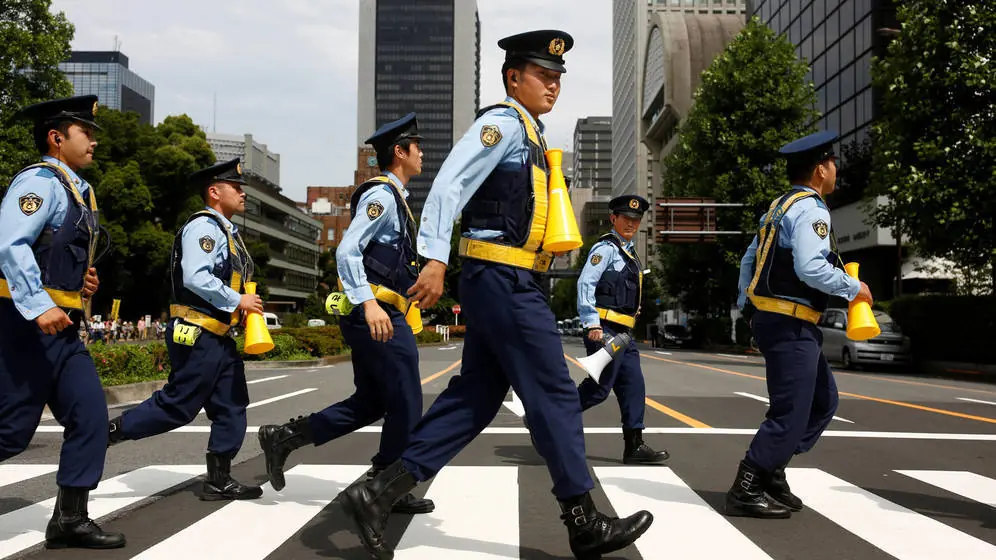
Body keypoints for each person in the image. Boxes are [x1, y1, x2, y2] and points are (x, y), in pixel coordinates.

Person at [334, 30, 653, 560]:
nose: (553, 86)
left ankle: (377, 492)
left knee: (474, 398)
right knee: (552, 391)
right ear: (513, 77)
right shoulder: (501, 125)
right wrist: (436, 259)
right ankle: (582, 519)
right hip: (503, 280)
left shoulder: (529, 134)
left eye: (557, 79)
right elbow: (447, 188)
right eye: (542, 76)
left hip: (506, 281)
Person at [257, 114, 433, 514]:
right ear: (400, 152)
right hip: (376, 313)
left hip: (380, 310)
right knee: (406, 400)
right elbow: (347, 249)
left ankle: (285, 437)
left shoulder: (396, 199)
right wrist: (369, 303)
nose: (422, 152)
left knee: (372, 402)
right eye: (416, 146)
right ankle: (384, 486)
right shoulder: (382, 196)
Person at [725, 130, 874, 519]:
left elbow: (747, 261)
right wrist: (853, 289)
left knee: (824, 402)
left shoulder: (778, 207)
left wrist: (749, 303)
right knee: (791, 411)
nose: (835, 169)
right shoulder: (811, 209)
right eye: (833, 163)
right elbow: (810, 267)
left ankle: (772, 468)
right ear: (821, 169)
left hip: (783, 320)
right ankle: (748, 483)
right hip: (790, 323)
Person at [0, 95, 126, 549]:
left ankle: (69, 519)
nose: (93, 140)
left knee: (91, 416)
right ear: (57, 138)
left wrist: (80, 283)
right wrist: (39, 303)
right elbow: (11, 245)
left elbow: (54, 252)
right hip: (24, 324)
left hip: (62, 328)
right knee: (10, 431)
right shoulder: (38, 182)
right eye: (84, 132)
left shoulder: (78, 190)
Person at [107, 158, 264, 502]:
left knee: (232, 405)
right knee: (179, 405)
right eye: (236, 188)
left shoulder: (226, 231)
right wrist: (237, 300)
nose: (242, 194)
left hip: (219, 336)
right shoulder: (204, 227)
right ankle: (110, 431)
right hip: (197, 332)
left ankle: (219, 479)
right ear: (214, 191)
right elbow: (196, 276)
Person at [574, 194, 669, 465]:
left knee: (633, 387)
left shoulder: (629, 252)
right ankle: (545, 419)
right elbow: (585, 284)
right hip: (605, 330)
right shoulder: (606, 248)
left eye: (636, 220)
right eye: (626, 218)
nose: (631, 224)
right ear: (613, 218)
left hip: (624, 333)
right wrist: (591, 322)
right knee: (599, 389)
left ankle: (634, 446)